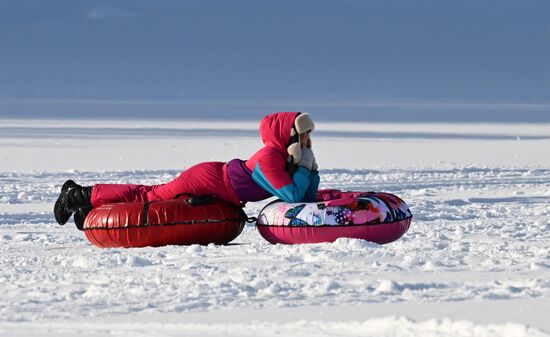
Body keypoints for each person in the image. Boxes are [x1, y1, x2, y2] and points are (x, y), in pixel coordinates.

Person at [54, 112, 320, 230]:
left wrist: (310, 167)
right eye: (303, 134)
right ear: (289, 134)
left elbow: (306, 196)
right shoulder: (270, 159)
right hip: (207, 179)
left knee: (152, 196)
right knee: (149, 197)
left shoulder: (287, 158)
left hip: (220, 183)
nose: (307, 139)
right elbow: (292, 197)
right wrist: (305, 164)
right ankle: (80, 195)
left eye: (309, 134)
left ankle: (89, 210)